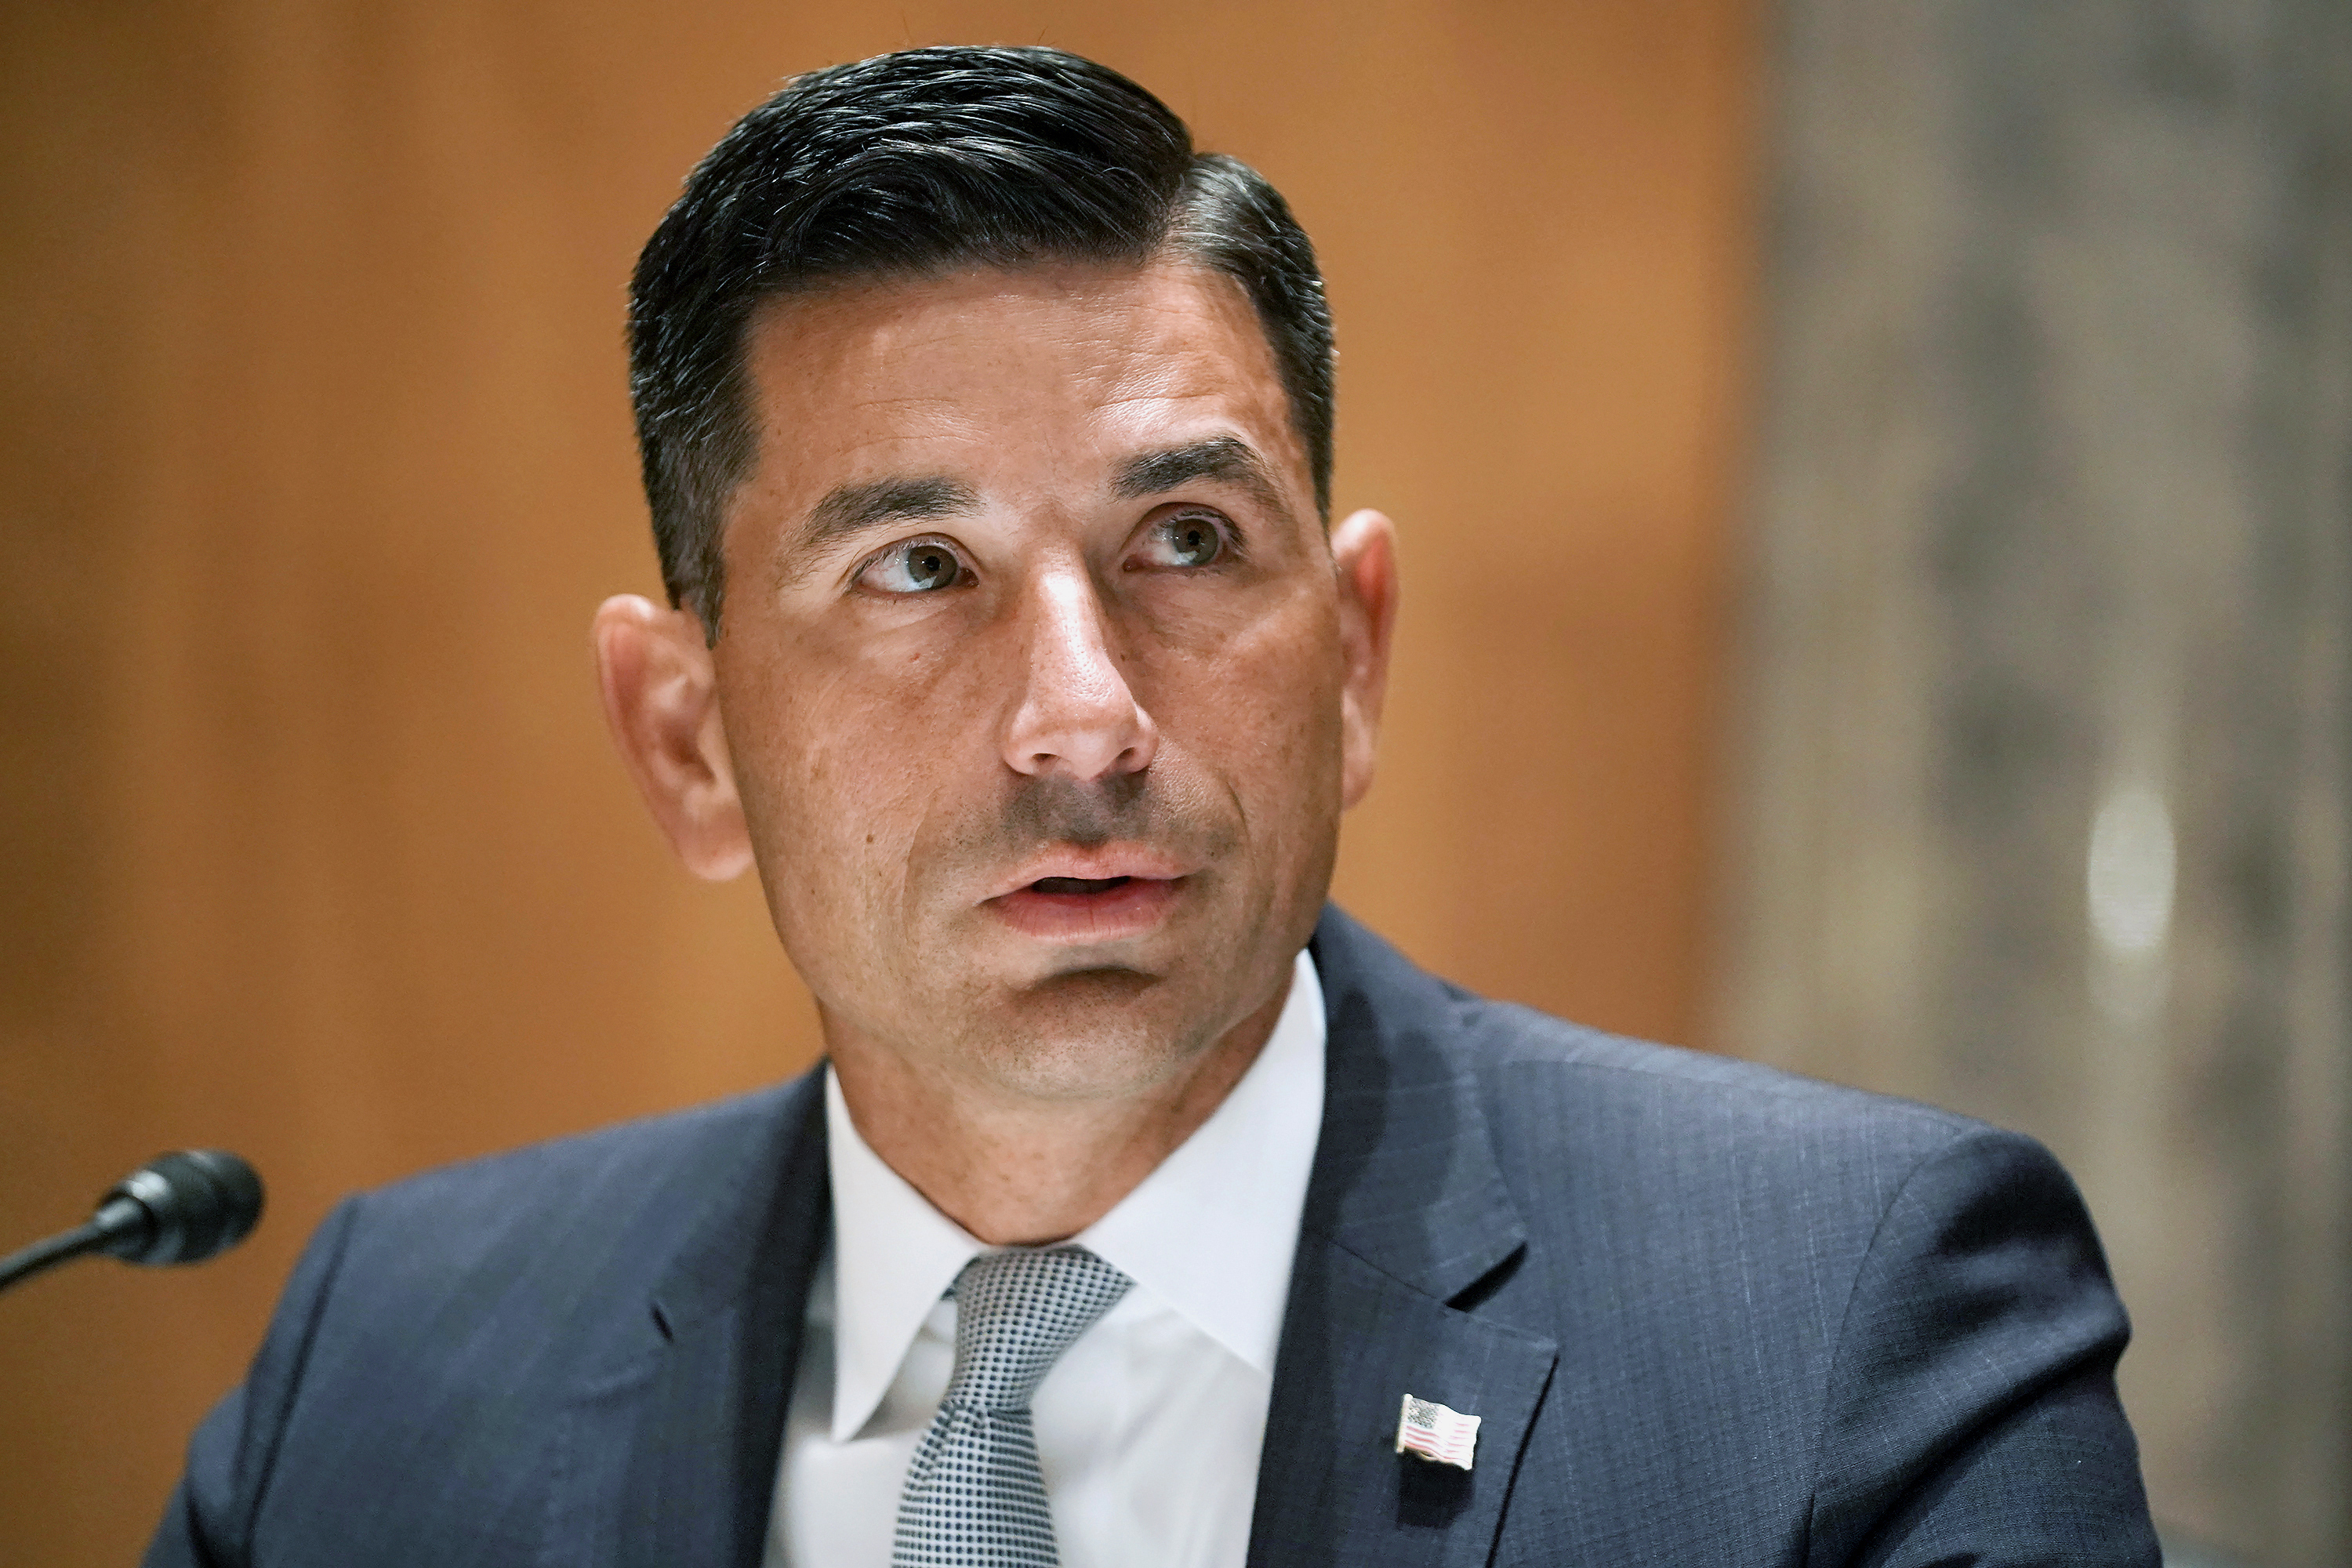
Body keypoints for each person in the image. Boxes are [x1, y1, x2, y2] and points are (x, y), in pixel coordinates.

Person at [143, 44, 2158, 1568]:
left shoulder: (1846, 1328)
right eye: (916, 568)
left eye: (1186, 539)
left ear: (1353, 656)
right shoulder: (391, 1374)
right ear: (686, 741)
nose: (1082, 721)